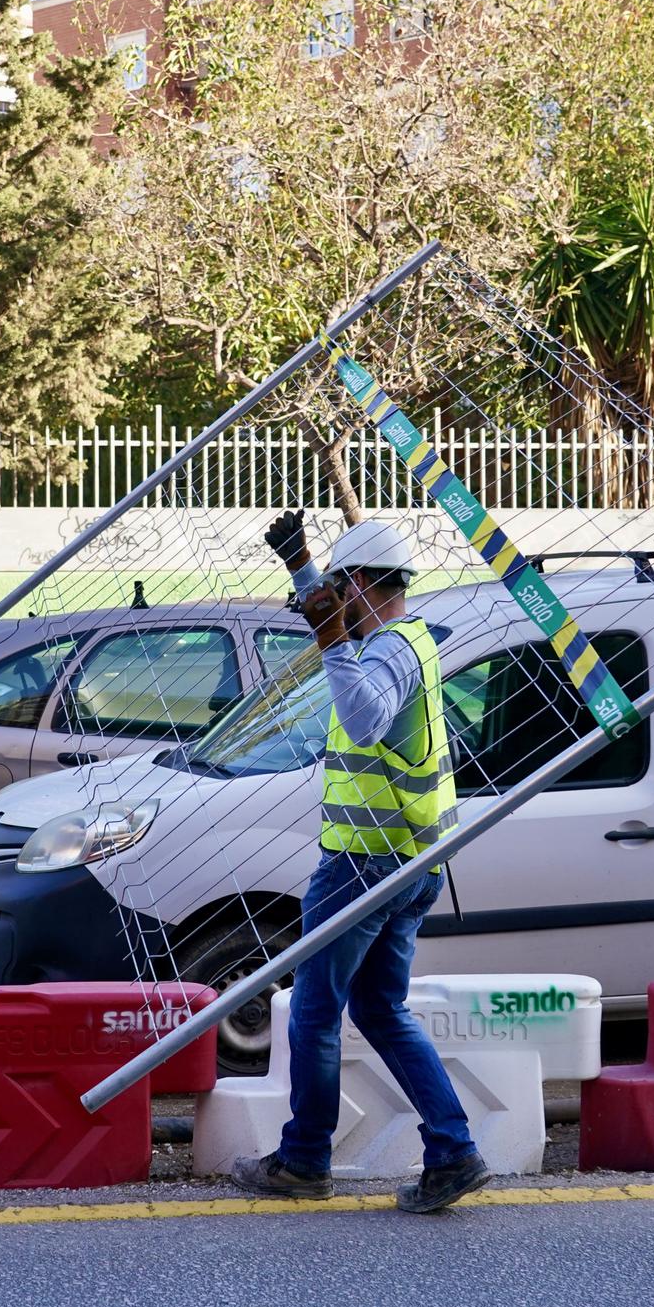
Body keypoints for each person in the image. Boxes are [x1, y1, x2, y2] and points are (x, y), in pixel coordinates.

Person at [229, 510, 491, 1214]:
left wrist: (330, 638)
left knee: (313, 1014)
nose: (332, 600)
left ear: (366, 584)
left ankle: (305, 1159)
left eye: (342, 585)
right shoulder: (401, 637)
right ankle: (454, 1149)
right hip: (407, 861)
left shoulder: (386, 653)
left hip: (363, 865)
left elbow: (368, 712)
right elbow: (330, 616)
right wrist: (302, 566)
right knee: (380, 1007)